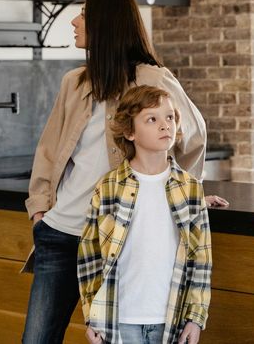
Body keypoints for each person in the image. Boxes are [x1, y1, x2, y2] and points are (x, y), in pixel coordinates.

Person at [21, 0, 220, 343]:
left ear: (106, 25)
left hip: (116, 240)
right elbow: (48, 151)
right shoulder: (75, 82)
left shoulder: (152, 80)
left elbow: (192, 136)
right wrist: (39, 211)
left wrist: (180, 194)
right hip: (61, 233)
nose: (74, 20)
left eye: (83, 14)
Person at [78, 85, 211, 344]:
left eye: (170, 117)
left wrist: (195, 318)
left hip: (171, 319)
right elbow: (89, 256)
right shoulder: (108, 187)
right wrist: (91, 315)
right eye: (152, 119)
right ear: (129, 132)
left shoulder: (191, 188)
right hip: (119, 321)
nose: (165, 125)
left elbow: (201, 261)